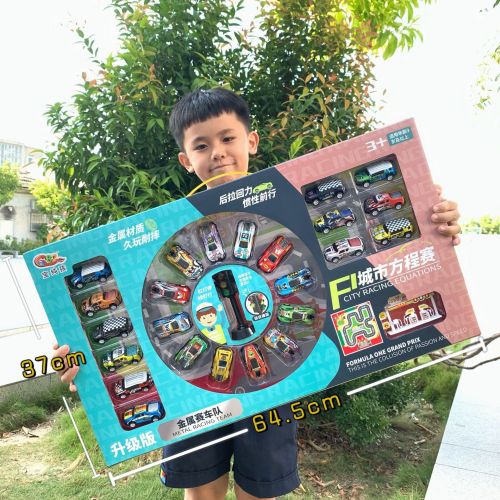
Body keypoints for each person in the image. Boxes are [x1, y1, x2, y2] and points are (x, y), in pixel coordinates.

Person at [54, 88, 462, 500]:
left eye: (228, 138)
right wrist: (82, 360)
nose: (218, 152)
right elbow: (119, 315)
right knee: (200, 493)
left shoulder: (294, 211)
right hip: (193, 390)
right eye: (201, 145)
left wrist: (428, 217)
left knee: (262, 492)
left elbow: (375, 246)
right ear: (186, 160)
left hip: (273, 386)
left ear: (251, 141)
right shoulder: (159, 239)